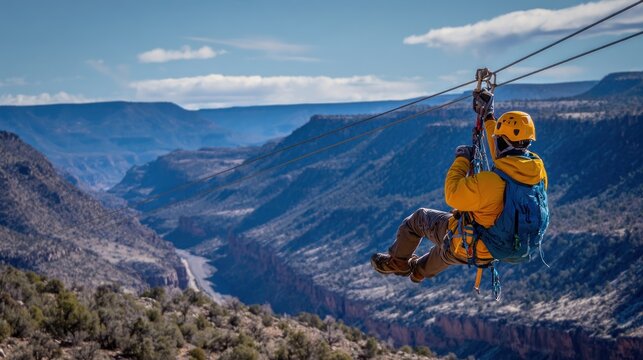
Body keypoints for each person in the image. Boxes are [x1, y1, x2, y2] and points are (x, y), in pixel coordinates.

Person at [370, 90, 548, 283]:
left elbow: (452, 194)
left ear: (501, 142)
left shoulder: (490, 183)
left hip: (472, 243)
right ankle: (419, 271)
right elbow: (504, 157)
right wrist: (488, 116)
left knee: (421, 220)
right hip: (497, 246)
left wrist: (462, 159)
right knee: (448, 249)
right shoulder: (537, 173)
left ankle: (398, 262)